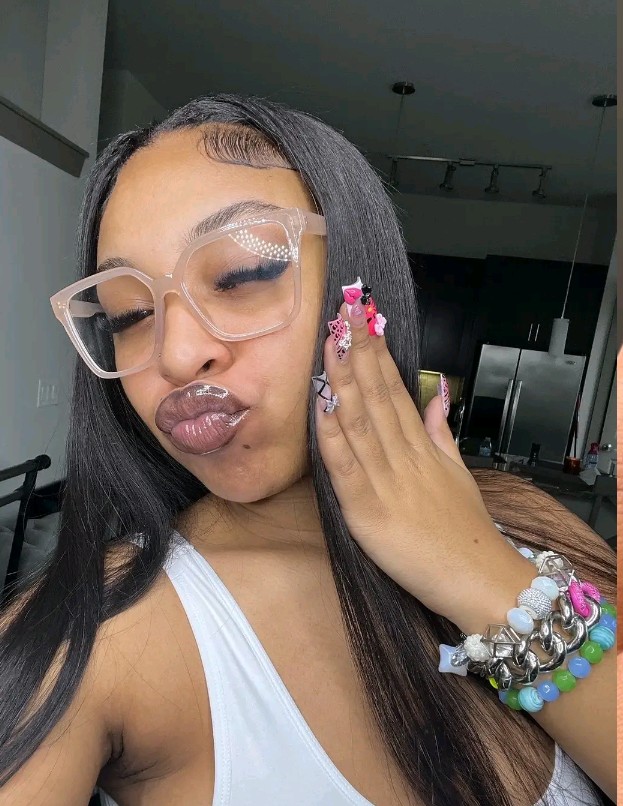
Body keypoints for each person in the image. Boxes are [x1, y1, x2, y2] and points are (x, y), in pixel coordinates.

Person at [0, 95, 615, 806]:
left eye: (241, 273)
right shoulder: (96, 638)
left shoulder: (529, 524)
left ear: (360, 279)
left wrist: (476, 572)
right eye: (128, 316)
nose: (174, 354)